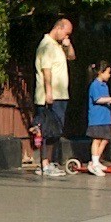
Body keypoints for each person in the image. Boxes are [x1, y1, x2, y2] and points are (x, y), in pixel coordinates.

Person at [31, 14, 76, 176]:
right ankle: (44, 164)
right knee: (49, 130)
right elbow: (46, 70)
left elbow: (72, 57)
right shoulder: (47, 46)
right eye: (66, 33)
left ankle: (50, 162)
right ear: (58, 28)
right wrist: (49, 91)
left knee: (56, 130)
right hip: (51, 96)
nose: (66, 36)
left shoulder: (58, 46)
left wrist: (67, 45)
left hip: (61, 95)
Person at [83, 60, 111, 176]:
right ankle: (94, 163)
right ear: (100, 72)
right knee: (97, 139)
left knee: (105, 139)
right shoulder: (95, 85)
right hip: (97, 118)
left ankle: (96, 160)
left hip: (105, 117)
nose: (109, 75)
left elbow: (106, 98)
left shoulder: (104, 85)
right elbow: (98, 99)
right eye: (108, 72)